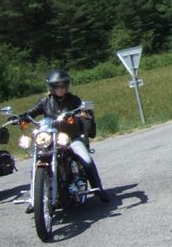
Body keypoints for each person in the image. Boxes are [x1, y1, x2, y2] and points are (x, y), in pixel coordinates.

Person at [18, 69, 110, 208]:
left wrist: (83, 112)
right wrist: (22, 117)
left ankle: (99, 189)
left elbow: (82, 109)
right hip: (51, 140)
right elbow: (32, 112)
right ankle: (36, 198)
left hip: (71, 138)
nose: (60, 89)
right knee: (36, 164)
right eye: (57, 86)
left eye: (63, 86)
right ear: (51, 87)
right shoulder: (45, 101)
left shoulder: (74, 100)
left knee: (87, 160)